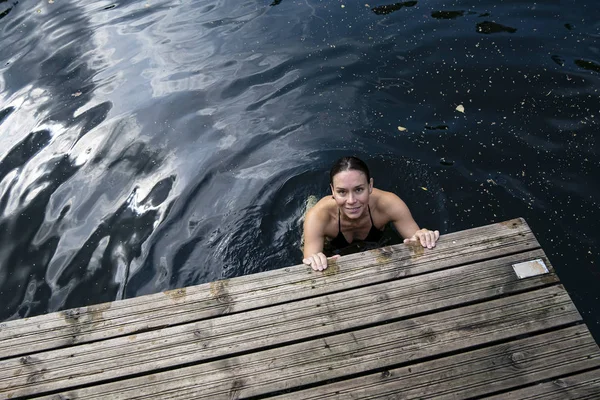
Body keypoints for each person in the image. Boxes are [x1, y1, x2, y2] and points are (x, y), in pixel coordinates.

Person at [302, 156, 439, 271]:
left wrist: (423, 236)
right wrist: (316, 259)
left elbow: (415, 237)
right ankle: (311, 201)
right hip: (330, 238)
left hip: (374, 236)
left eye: (359, 190)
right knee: (306, 234)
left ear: (370, 186)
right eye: (342, 192)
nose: (351, 201)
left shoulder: (389, 204)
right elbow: (309, 261)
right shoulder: (318, 217)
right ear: (332, 190)